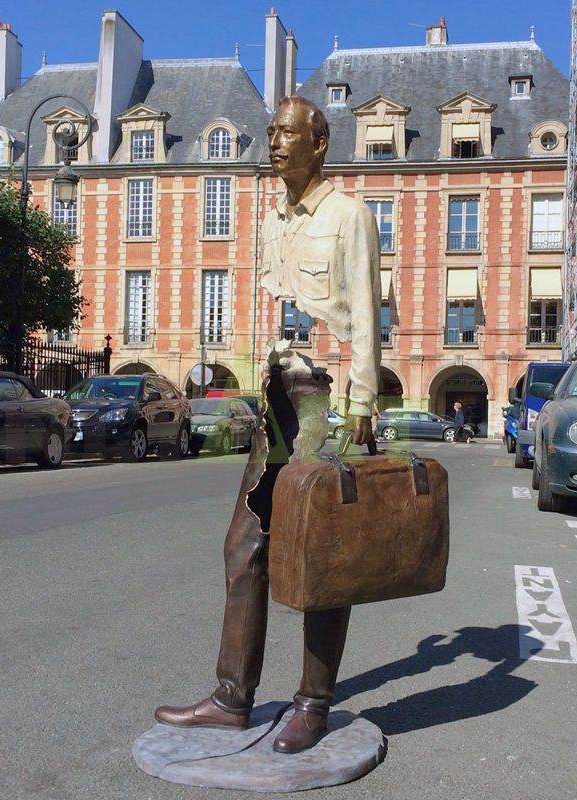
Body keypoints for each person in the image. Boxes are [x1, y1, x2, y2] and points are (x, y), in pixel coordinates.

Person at [154, 96, 381, 755]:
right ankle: (232, 699)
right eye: (271, 133)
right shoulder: (271, 222)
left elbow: (365, 312)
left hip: (324, 398)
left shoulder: (349, 216)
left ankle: (312, 703)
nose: (275, 143)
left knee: (322, 555)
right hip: (277, 398)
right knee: (244, 545)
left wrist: (363, 404)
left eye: (288, 134)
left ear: (321, 141)